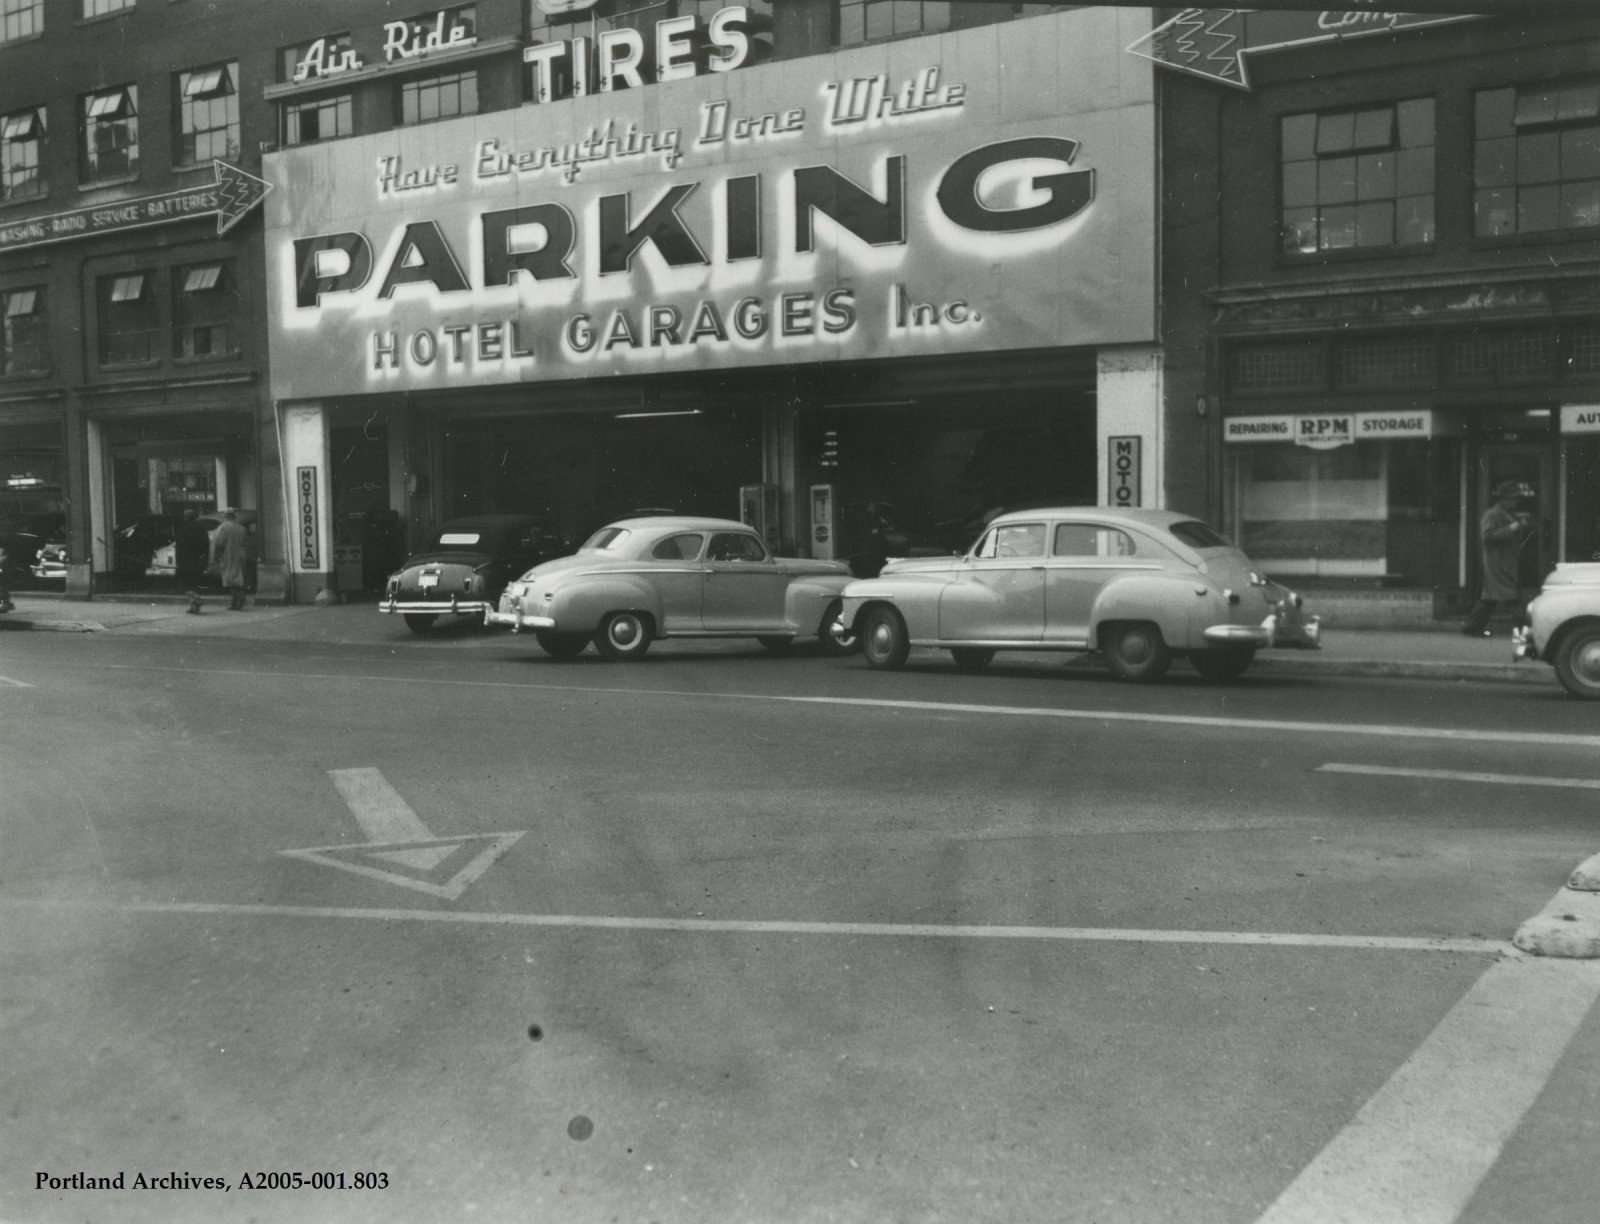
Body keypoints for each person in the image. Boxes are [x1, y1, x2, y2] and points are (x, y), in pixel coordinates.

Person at [1462, 481, 1536, 637]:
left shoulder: (1505, 513)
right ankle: (1526, 631)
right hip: (1498, 562)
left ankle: (1472, 628)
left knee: (1489, 599)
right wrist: (1511, 528)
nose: (1515, 502)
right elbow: (1487, 536)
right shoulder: (1492, 515)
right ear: (1503, 499)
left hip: (1503, 561)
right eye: (1512, 498)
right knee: (1511, 597)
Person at [209, 508, 250, 611]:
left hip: (229, 555)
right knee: (239, 577)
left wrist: (216, 557)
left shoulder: (224, 527)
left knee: (230, 579)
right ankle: (236, 601)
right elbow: (245, 543)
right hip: (241, 555)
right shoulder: (241, 528)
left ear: (226, 517)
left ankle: (238, 598)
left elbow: (219, 544)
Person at [175, 508, 211, 614]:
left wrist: (178, 561)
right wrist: (205, 561)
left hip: (185, 561)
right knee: (195, 583)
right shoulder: (202, 529)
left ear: (185, 518)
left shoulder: (182, 529)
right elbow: (206, 546)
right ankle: (194, 607)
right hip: (198, 560)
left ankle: (197, 599)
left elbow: (179, 547)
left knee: (185, 585)